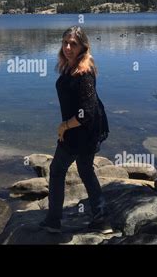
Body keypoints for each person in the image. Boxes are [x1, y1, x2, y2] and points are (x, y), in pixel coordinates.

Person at [40, 26, 110, 233]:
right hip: (88, 130)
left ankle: (53, 221)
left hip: (81, 132)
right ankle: (102, 219)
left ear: (83, 47)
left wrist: (64, 126)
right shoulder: (71, 66)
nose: (68, 47)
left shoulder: (84, 72)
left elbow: (86, 112)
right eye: (65, 43)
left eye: (73, 44)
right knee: (86, 171)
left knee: (56, 170)